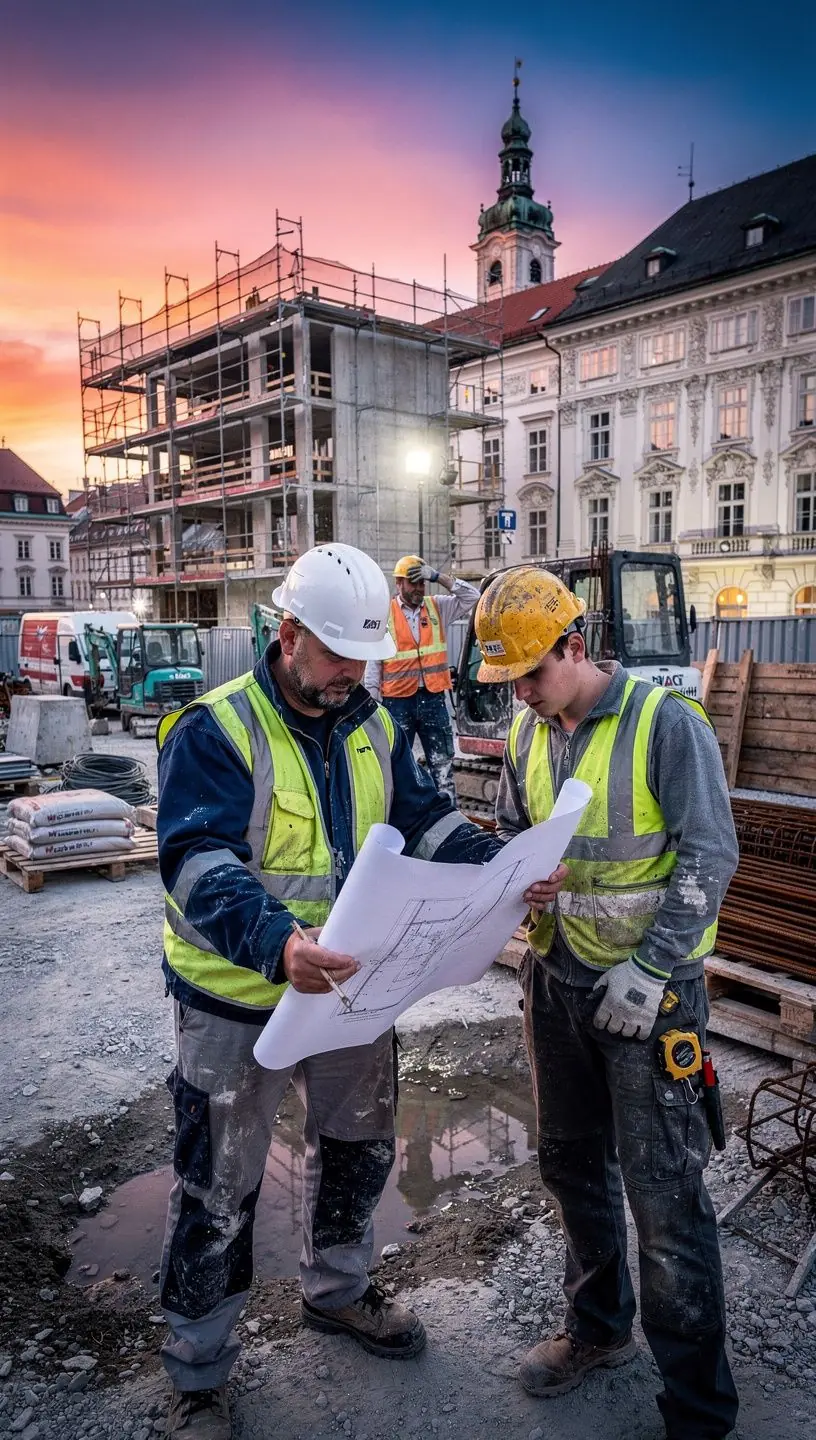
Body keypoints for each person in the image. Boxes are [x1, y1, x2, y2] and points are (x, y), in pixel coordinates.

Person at [156, 543, 560, 1439]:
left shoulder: (374, 722)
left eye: (361, 658)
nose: (350, 674)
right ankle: (198, 1370)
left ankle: (337, 1293)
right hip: (237, 998)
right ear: (288, 633)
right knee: (217, 1184)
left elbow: (429, 818)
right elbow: (195, 861)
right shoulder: (216, 728)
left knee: (358, 1148)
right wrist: (276, 943)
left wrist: (500, 870)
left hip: (350, 995)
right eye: (337, 655)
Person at [474, 566, 740, 1440]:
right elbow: (516, 830)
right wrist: (522, 880)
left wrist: (656, 968)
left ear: (576, 647)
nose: (521, 693)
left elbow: (709, 855)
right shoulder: (529, 730)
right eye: (509, 680)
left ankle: (699, 1409)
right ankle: (599, 1330)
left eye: (531, 674)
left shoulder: (667, 723)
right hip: (557, 979)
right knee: (572, 1163)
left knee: (665, 1197)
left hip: (650, 1000)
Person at [364, 555, 479, 803]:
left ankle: (448, 822)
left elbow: (473, 597)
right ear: (399, 584)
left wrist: (439, 577)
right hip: (397, 702)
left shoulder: (437, 606)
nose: (418, 588)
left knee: (443, 765)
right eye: (412, 583)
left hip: (433, 699)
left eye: (422, 583)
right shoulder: (385, 614)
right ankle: (404, 822)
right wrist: (372, 704)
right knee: (397, 767)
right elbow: (374, 663)